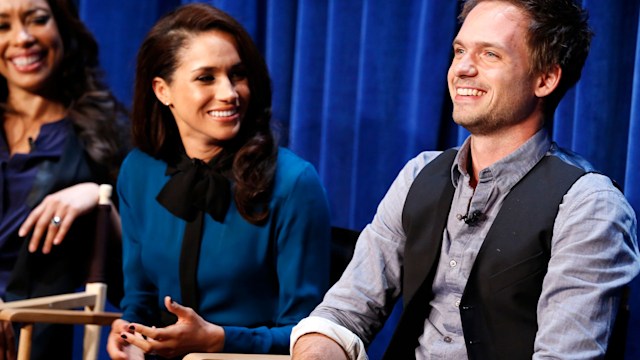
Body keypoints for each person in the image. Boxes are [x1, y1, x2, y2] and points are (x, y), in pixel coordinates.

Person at [290, 0, 640, 359]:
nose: (462, 68)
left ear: (545, 79)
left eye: (489, 54)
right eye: (460, 50)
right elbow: (342, 313)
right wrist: (318, 350)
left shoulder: (589, 205)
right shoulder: (418, 174)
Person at [106, 3, 332, 359]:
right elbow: (139, 297)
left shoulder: (294, 182)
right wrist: (129, 332)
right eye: (206, 77)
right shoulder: (137, 171)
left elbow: (311, 333)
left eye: (237, 74)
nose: (229, 92)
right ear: (162, 90)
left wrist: (221, 340)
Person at [0, 0, 128, 358]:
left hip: (34, 345)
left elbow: (137, 280)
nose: (22, 38)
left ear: (62, 26)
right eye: (2, 27)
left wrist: (98, 198)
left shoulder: (105, 136)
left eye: (37, 19)